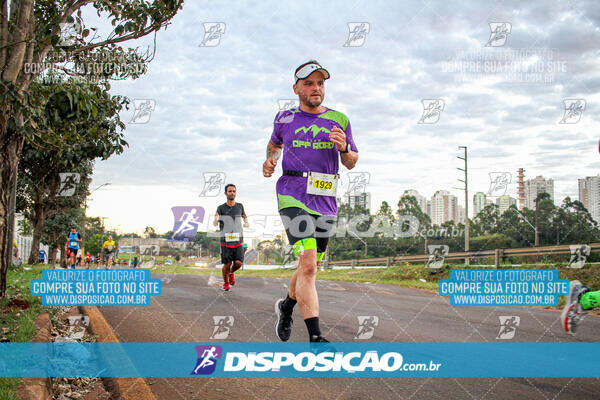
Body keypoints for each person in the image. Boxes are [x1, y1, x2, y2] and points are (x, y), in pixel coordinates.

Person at [263, 60, 358, 343]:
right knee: (307, 264)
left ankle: (287, 306)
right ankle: (316, 337)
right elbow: (274, 144)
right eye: (309, 83)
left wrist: (343, 148)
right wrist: (270, 160)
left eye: (320, 83)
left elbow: (351, 161)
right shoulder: (284, 118)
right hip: (292, 193)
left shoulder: (340, 120)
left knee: (309, 266)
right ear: (296, 88)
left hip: (325, 198)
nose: (316, 88)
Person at [214, 184, 249, 291]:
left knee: (238, 263)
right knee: (227, 263)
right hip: (226, 240)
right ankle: (226, 283)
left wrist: (246, 222)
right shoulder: (221, 208)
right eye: (230, 191)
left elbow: (245, 215)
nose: (232, 193)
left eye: (234, 191)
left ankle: (230, 273)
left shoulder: (240, 206)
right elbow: (216, 216)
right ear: (226, 193)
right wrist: (215, 221)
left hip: (238, 239)